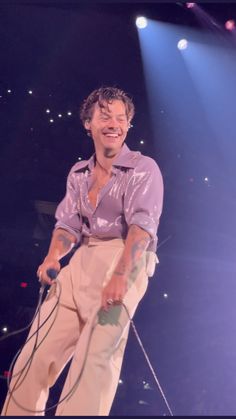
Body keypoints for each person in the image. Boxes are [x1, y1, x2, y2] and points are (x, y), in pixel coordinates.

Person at [1, 86, 164, 416]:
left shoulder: (143, 168)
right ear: (88, 123)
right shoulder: (79, 174)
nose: (114, 124)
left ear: (128, 125)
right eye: (105, 116)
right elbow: (68, 225)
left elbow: (142, 229)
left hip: (124, 258)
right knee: (33, 358)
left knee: (92, 364)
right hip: (82, 260)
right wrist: (52, 257)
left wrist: (120, 277)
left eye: (121, 118)